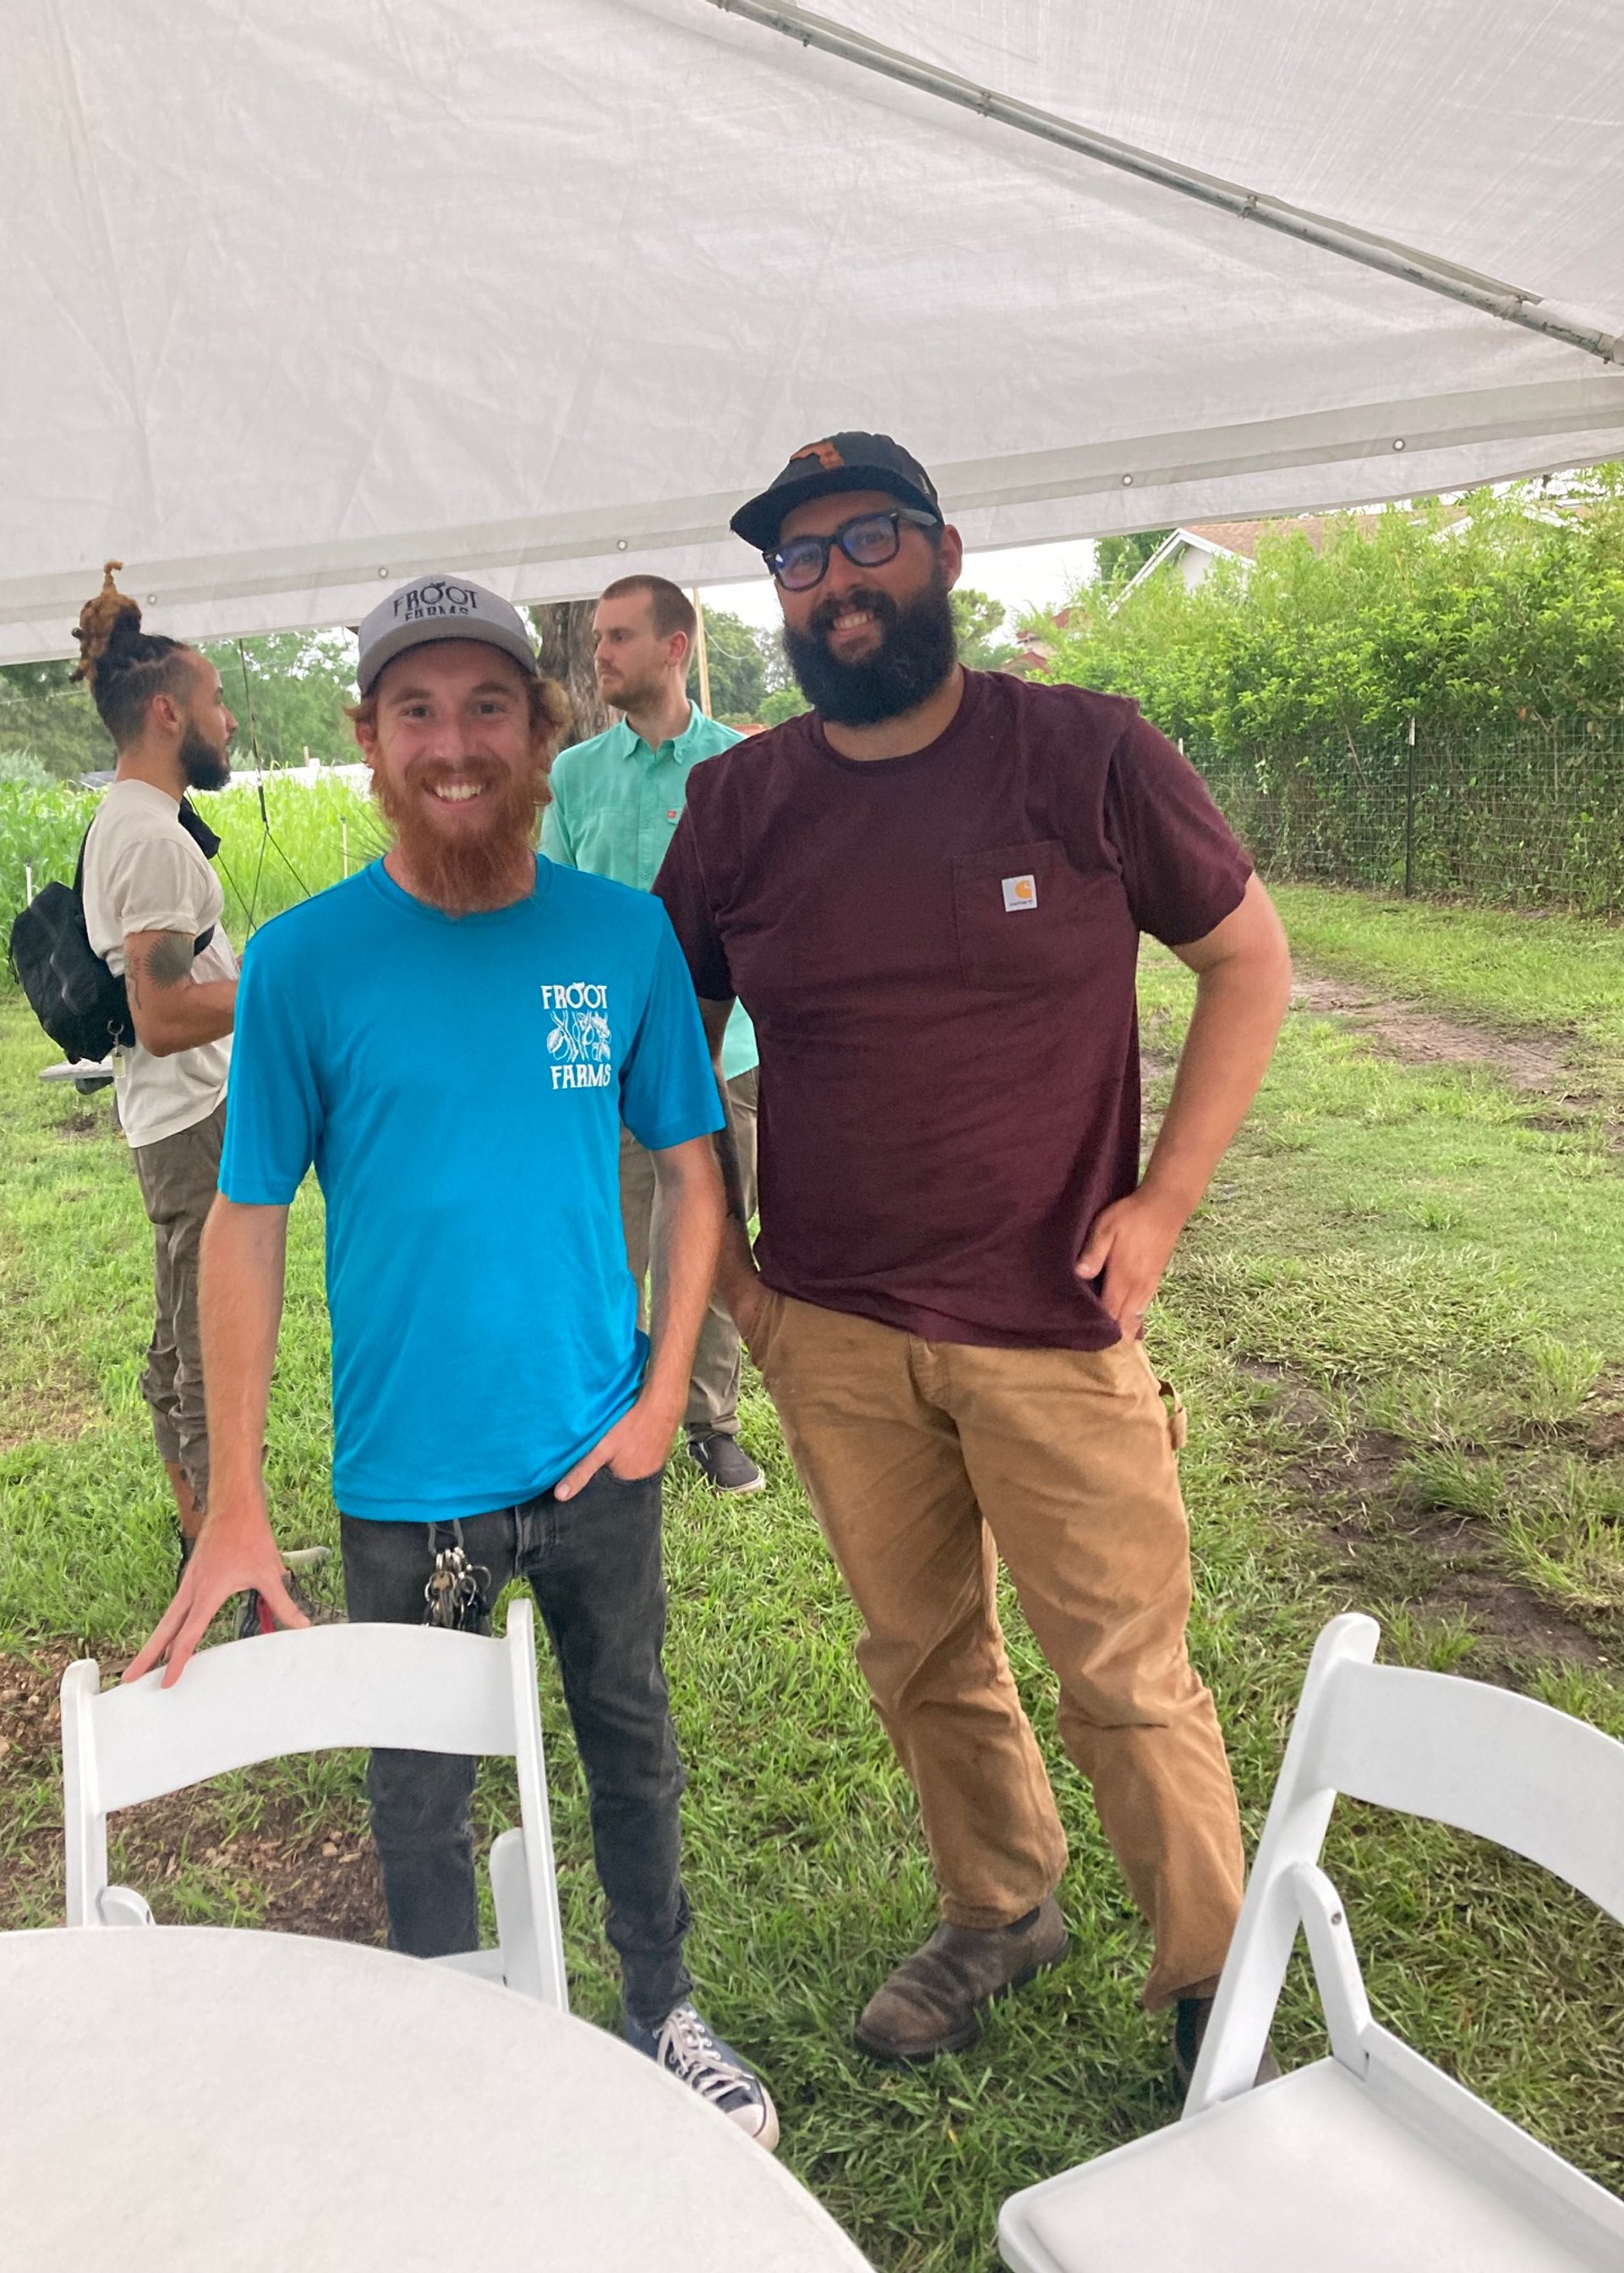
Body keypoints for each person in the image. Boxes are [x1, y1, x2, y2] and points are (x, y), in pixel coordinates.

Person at [653, 434, 1293, 2084]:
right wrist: (737, 1293)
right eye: (800, 562)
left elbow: (1248, 959)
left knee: (1126, 1674)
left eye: (866, 541)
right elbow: (663, 1052)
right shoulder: (742, 804)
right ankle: (1000, 1903)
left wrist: (1157, 1210)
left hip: (1053, 1320)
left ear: (941, 552)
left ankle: (1211, 1988)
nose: (836, 582)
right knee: (921, 1652)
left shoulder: (1083, 756)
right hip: (838, 1330)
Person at [127, 572, 779, 2148]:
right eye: (414, 708)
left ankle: (662, 2007)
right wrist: (231, 1495)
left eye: (489, 703)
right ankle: (440, 2043)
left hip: (593, 1455)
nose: (454, 740)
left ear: (541, 730)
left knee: (631, 1736)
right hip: (404, 1481)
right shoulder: (305, 962)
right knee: (417, 1785)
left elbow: (695, 1175)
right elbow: (248, 1219)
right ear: (367, 738)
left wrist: (654, 1396)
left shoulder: (618, 939)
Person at [542, 575, 763, 1496]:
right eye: (597, 638)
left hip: (722, 1052)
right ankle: (607, 1411)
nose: (600, 655)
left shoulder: (740, 771)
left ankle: (713, 1419)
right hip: (599, 1051)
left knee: (711, 1232)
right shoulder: (573, 774)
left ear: (676, 648)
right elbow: (549, 912)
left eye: (620, 637)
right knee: (602, 1238)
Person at [74, 565, 239, 1578]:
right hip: (190, 1115)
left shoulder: (140, 823)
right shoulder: (146, 837)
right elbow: (165, 1012)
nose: (229, 721)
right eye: (218, 702)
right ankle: (221, 1543)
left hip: (185, 1112)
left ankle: (205, 1526)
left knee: (190, 1327)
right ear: (170, 711)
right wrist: (289, 993)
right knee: (203, 1340)